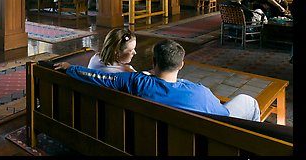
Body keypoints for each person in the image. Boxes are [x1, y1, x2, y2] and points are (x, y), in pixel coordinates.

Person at [54, 39, 260, 121]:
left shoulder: (135, 81)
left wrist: (71, 68)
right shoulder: (200, 94)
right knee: (248, 101)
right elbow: (224, 117)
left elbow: (98, 77)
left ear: (153, 61)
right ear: (181, 65)